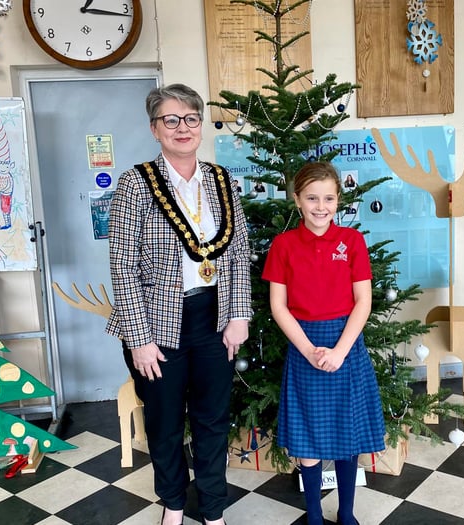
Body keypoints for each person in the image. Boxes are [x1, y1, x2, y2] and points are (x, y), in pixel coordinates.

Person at [106, 83, 253, 525]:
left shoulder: (221, 180)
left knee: (212, 420)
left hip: (215, 317)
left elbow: (239, 252)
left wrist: (239, 315)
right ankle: (173, 504)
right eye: (170, 120)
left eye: (190, 118)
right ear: (155, 129)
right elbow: (122, 266)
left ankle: (212, 509)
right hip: (156, 324)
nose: (182, 127)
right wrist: (139, 340)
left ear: (200, 125)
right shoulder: (135, 183)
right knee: (165, 423)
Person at [262, 161, 385, 525]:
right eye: (312, 198)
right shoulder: (283, 245)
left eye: (328, 198)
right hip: (305, 346)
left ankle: (346, 513)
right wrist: (308, 351)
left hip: (346, 345)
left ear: (338, 200)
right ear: (297, 199)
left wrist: (340, 351)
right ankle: (314, 515)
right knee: (308, 436)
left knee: (348, 434)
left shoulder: (353, 242)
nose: (321, 206)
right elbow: (278, 306)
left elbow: (363, 301)